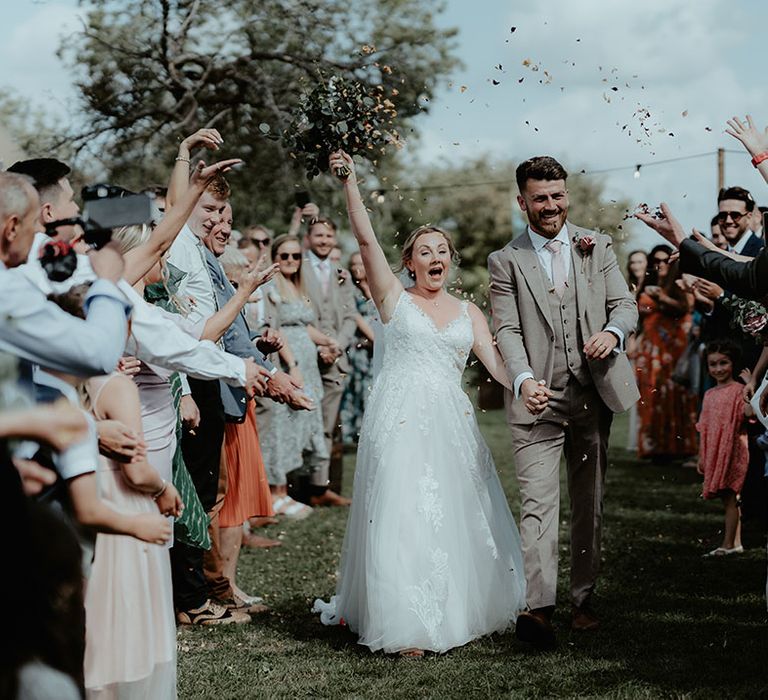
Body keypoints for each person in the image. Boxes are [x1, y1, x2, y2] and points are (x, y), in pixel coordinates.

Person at [314, 150, 526, 656]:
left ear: (450, 261)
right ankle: (405, 620)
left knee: (452, 511)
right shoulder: (393, 299)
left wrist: (523, 384)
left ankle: (454, 607)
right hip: (399, 416)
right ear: (409, 261)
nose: (436, 258)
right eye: (425, 251)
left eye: (443, 251)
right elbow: (365, 238)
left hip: (450, 423)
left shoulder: (468, 310)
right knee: (401, 508)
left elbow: (496, 363)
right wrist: (351, 184)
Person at [487, 155, 639, 649]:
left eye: (557, 196)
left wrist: (613, 334)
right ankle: (539, 608)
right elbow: (506, 329)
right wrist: (524, 378)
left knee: (588, 501)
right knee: (538, 504)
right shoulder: (505, 260)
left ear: (566, 196)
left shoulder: (597, 245)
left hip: (592, 395)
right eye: (540, 198)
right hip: (538, 401)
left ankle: (583, 599)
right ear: (522, 201)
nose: (550, 206)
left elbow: (625, 305)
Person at [264, 233, 335, 517]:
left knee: (297, 428)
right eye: (285, 256)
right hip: (286, 365)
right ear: (275, 258)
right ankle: (274, 492)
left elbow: (305, 328)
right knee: (281, 428)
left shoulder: (298, 286)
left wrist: (330, 343)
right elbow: (275, 328)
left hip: (309, 368)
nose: (291, 261)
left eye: (296, 256)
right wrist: (292, 366)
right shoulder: (272, 285)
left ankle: (286, 490)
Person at [301, 217, 357, 505]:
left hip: (335, 359)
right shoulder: (297, 266)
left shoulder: (341, 273)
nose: (323, 240)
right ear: (308, 238)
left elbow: (349, 316)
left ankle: (318, 488)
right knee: (302, 422)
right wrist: (318, 345)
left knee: (325, 425)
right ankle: (292, 487)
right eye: (318, 235)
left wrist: (337, 345)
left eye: (328, 235)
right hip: (305, 356)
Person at [635, 245, 698, 461]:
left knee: (673, 395)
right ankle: (654, 447)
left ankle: (676, 448)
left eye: (664, 260)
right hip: (651, 348)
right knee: (651, 396)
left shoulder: (679, 284)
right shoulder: (650, 283)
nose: (659, 264)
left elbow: (686, 308)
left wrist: (661, 299)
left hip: (672, 348)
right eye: (655, 260)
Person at [696, 340, 752, 557]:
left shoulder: (738, 390)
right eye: (713, 364)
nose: (718, 369)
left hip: (733, 450)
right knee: (728, 498)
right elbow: (704, 427)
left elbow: (749, 413)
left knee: (731, 495)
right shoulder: (709, 394)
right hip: (715, 451)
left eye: (724, 363)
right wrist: (702, 455)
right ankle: (735, 543)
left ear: (733, 363)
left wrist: (750, 386)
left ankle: (727, 544)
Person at [339, 250, 376, 444]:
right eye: (352, 264)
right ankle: (355, 433)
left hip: (377, 346)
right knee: (358, 389)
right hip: (361, 348)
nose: (356, 268)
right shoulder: (349, 289)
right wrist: (375, 339)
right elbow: (354, 315)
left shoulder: (378, 287)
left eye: (360, 263)